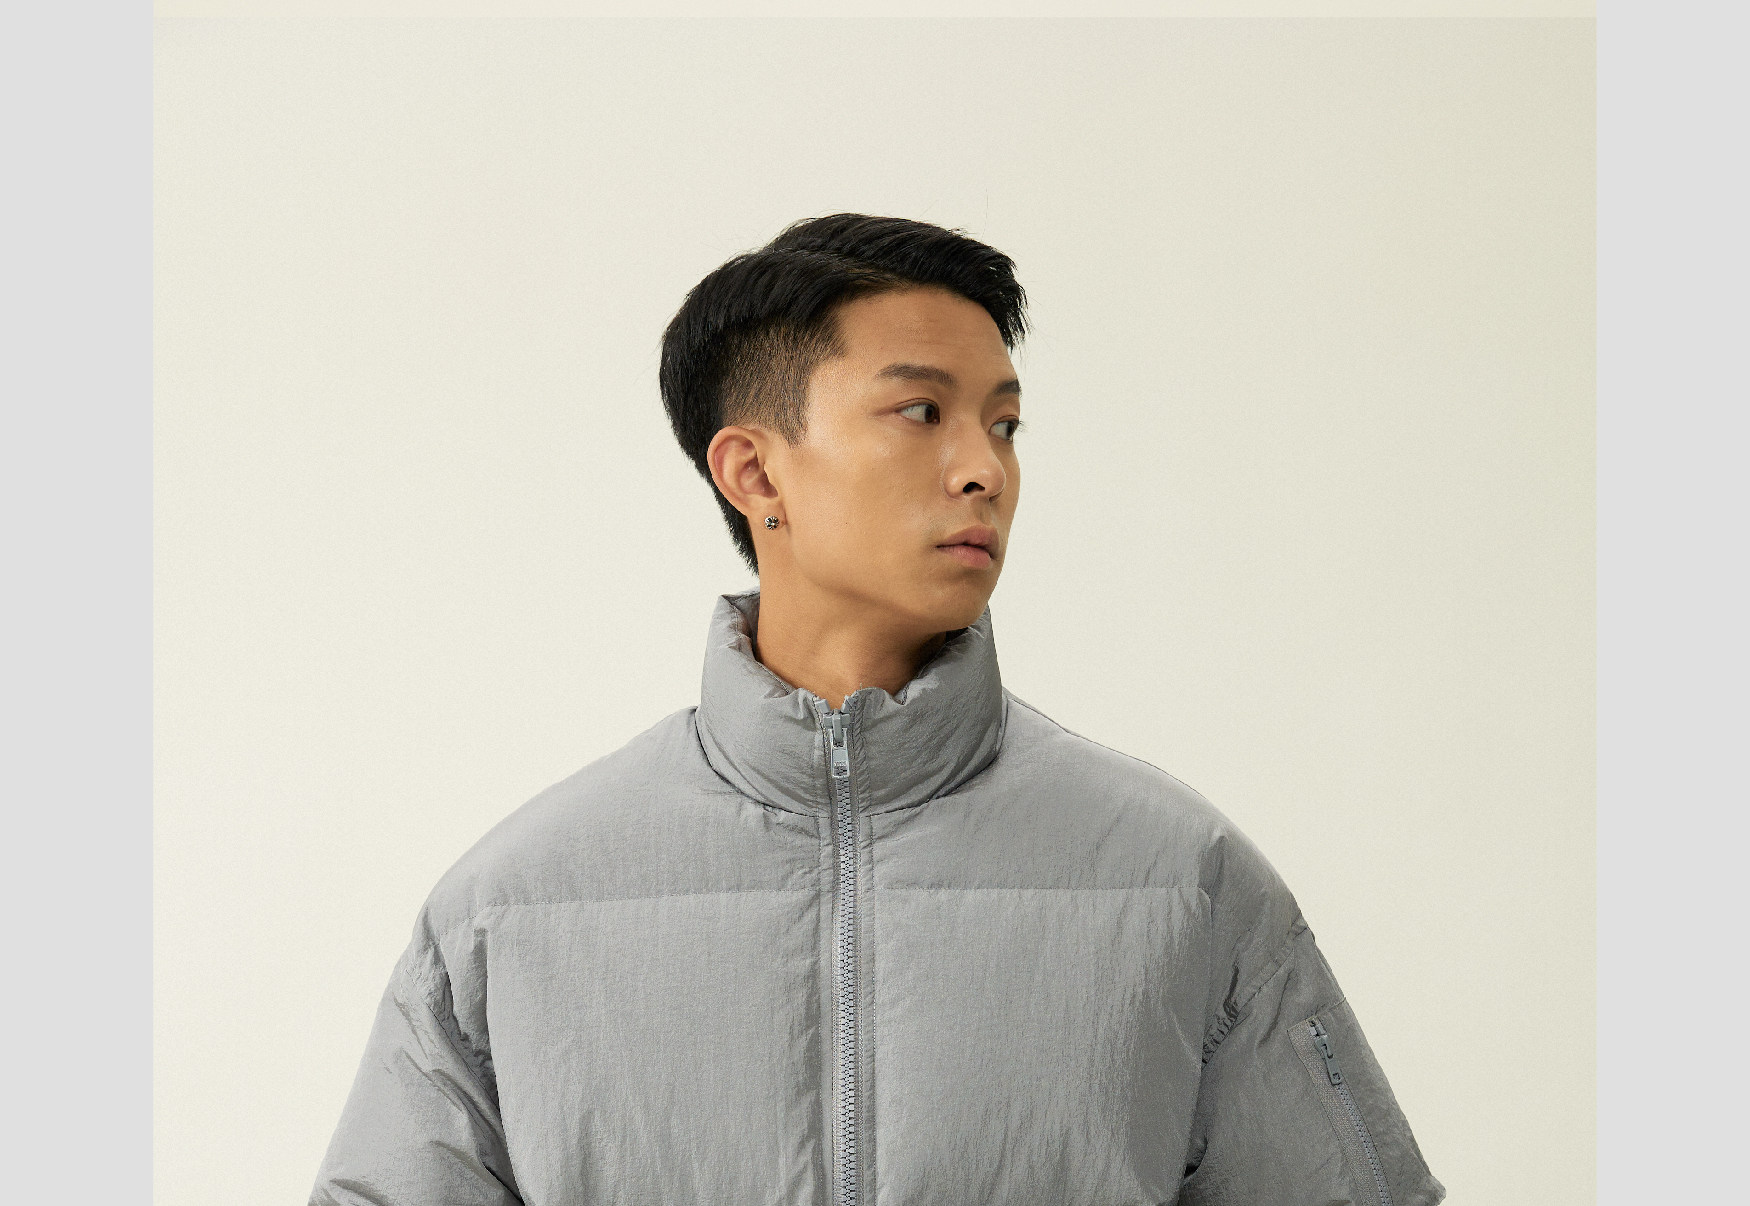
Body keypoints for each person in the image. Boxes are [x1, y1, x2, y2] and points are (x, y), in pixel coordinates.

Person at [309, 213, 1447, 1206]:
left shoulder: (1181, 877)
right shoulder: (513, 909)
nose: (983, 469)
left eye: (1003, 424)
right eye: (921, 412)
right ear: (755, 474)